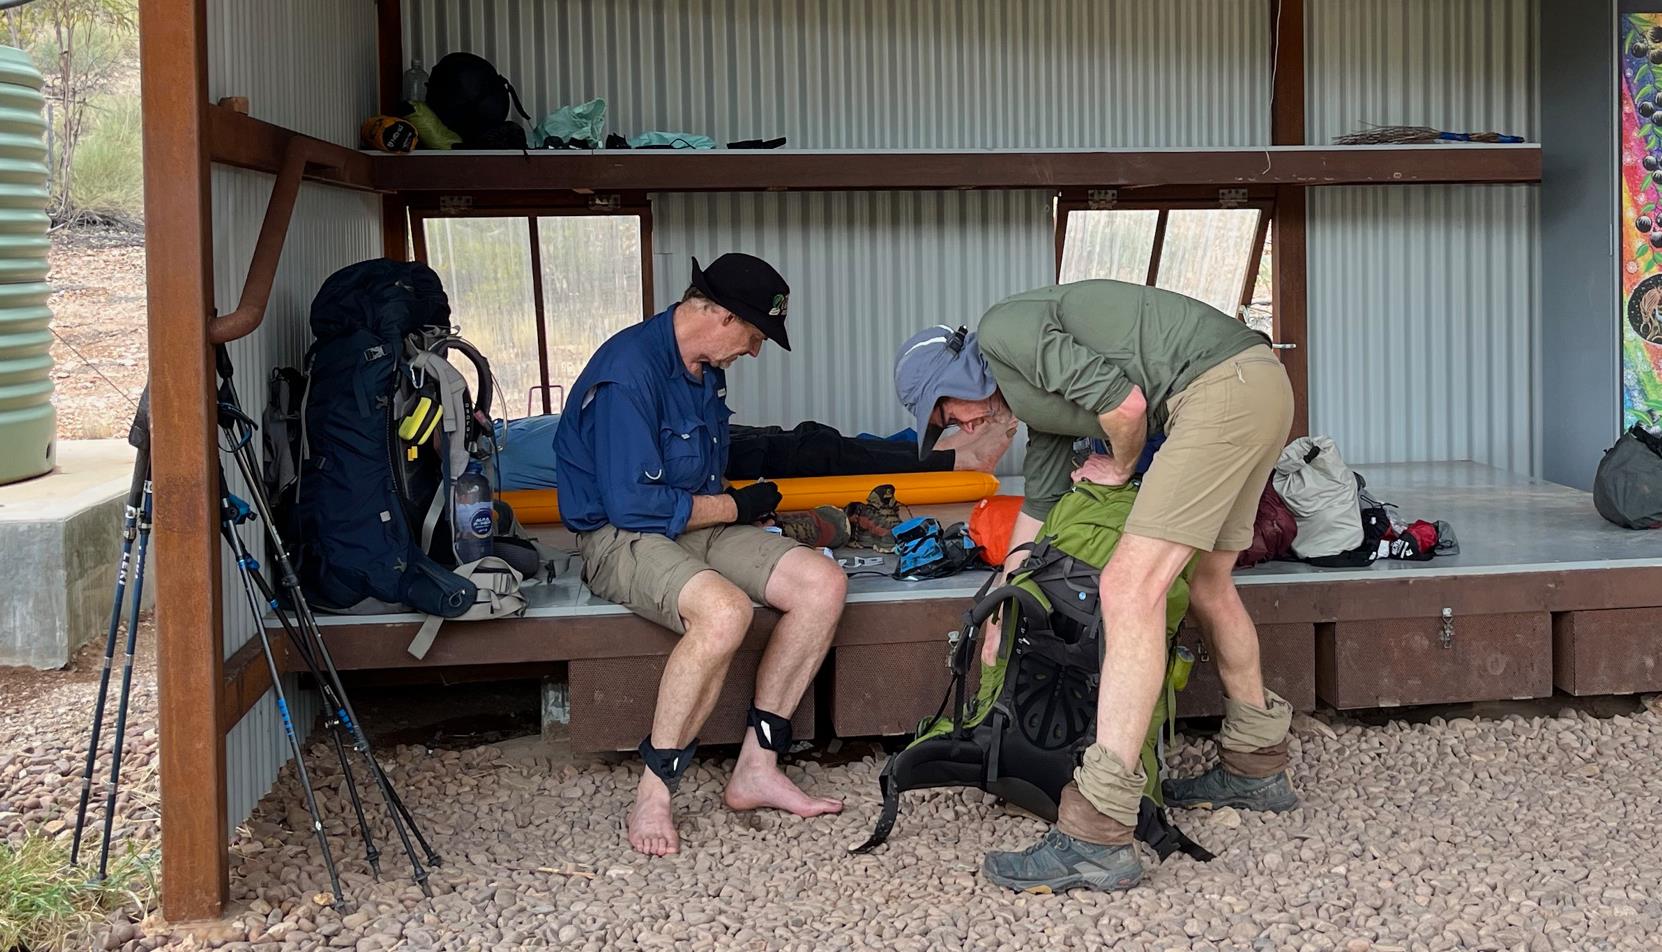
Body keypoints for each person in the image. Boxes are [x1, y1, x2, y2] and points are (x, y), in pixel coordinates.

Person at [893, 280, 1297, 893]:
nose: (960, 427)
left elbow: (1127, 407)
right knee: (1210, 584)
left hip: (1219, 393)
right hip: (1257, 386)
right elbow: (1040, 506)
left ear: (958, 374)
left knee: (1129, 588)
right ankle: (1255, 766)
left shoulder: (1004, 331)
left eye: (948, 412)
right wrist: (1000, 604)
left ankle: (1096, 834)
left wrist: (1122, 465)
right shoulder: (1035, 402)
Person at [554, 253, 848, 857]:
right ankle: (655, 790)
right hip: (619, 534)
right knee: (725, 611)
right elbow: (632, 505)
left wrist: (741, 504)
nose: (755, 351)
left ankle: (757, 768)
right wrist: (736, 507)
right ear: (722, 316)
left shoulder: (704, 367)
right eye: (756, 336)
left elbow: (696, 477)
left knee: (823, 584)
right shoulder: (628, 373)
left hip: (692, 520)